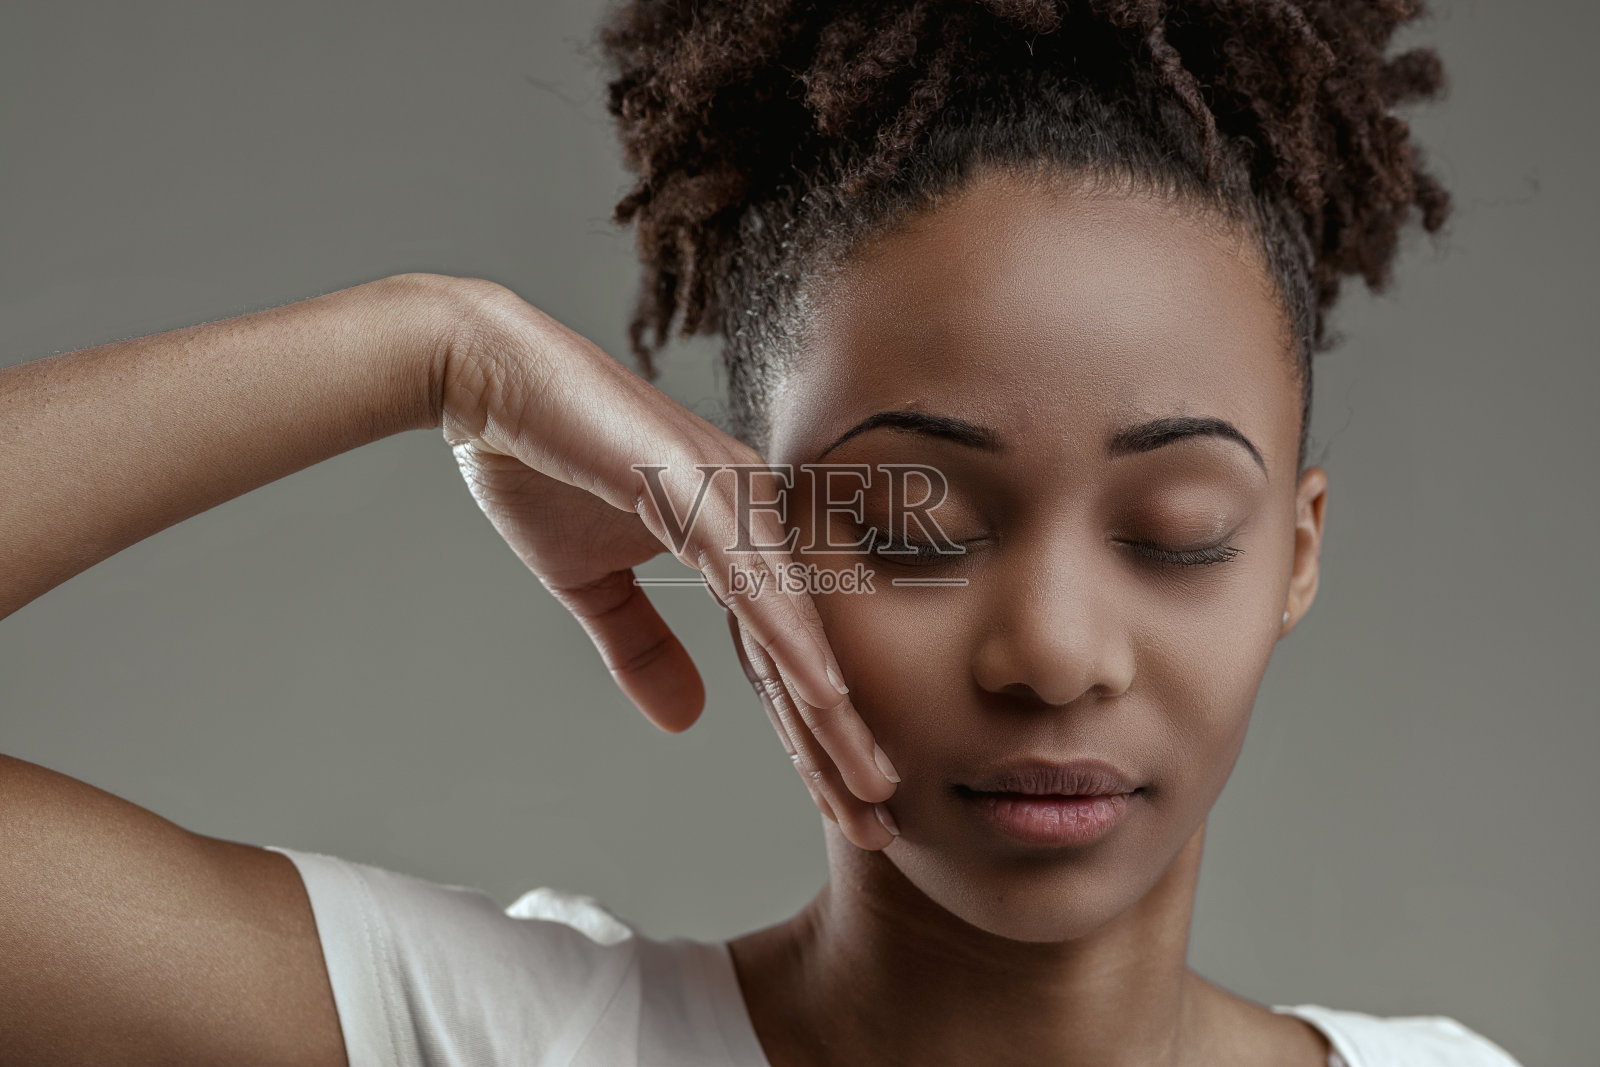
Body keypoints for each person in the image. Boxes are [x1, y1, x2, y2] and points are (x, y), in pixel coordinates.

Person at [0, 1, 1527, 1065]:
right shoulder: (502, 1045)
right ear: (743, 536)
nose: (1055, 653)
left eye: (1180, 528)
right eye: (911, 524)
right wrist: (426, 349)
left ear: (1298, 555)